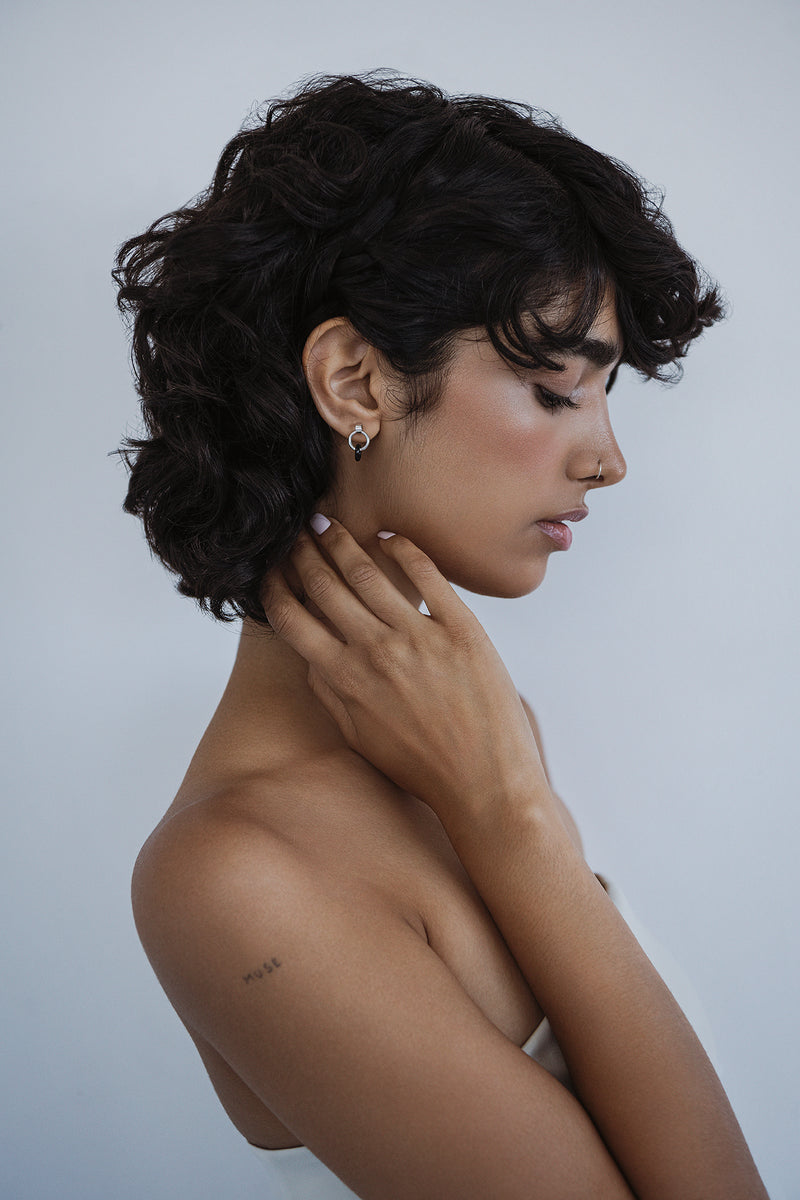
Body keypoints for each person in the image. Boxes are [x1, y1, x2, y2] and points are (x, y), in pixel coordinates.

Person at [114, 73, 768, 1199]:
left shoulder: (475, 730)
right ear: (352, 380)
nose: (607, 458)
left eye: (606, 396)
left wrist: (498, 793)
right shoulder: (233, 878)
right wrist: (511, 820)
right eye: (552, 387)